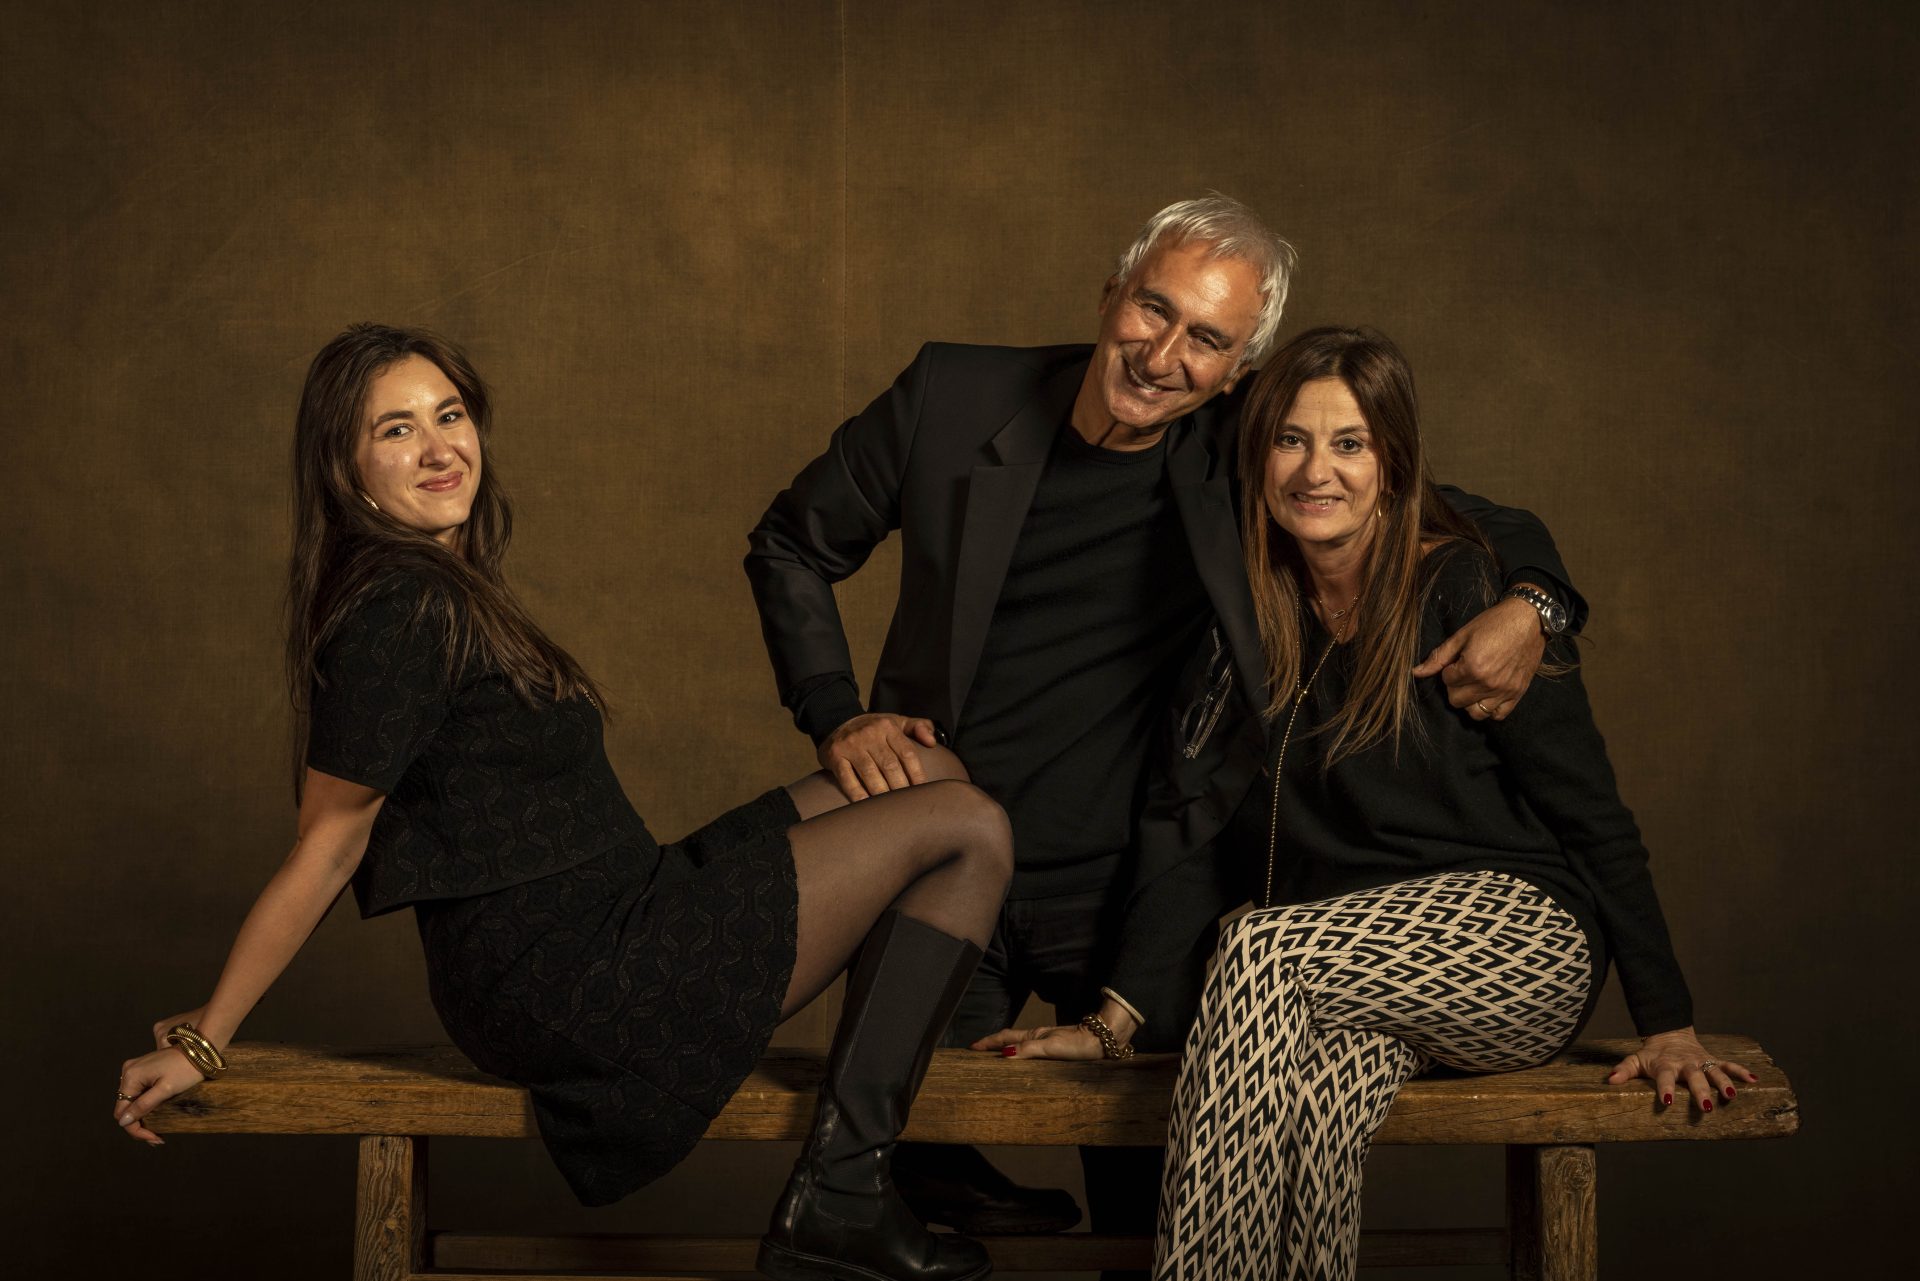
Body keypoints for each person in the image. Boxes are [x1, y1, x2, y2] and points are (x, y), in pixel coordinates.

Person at [745, 195, 1589, 1243]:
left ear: (1238, 371)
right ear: (1112, 293)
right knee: (900, 1183)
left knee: (1152, 1228)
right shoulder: (954, 396)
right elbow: (791, 542)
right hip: (947, 869)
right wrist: (836, 714)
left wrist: (1536, 602)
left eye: (1206, 339)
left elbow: (1433, 502)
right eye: (1154, 309)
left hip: (1131, 893)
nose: (1162, 356)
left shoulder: (1242, 445)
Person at [111, 323, 1016, 1281]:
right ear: (348, 470)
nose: (438, 448)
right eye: (396, 430)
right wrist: (209, 1036)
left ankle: (895, 1165)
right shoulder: (398, 608)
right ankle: (844, 1192)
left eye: (449, 415)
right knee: (970, 826)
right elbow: (329, 843)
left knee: (931, 772)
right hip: (567, 977)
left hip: (622, 905)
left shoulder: (449, 587)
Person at [978, 326, 1754, 1280]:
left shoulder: (1468, 590)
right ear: (1257, 455)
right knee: (1320, 1102)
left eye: (1349, 443)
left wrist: (1668, 1021)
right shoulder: (1245, 624)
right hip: (1337, 975)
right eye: (1290, 440)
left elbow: (1595, 815)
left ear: (1393, 461)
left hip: (1519, 943)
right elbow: (1200, 835)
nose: (1317, 471)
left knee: (1257, 945)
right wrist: (1112, 1021)